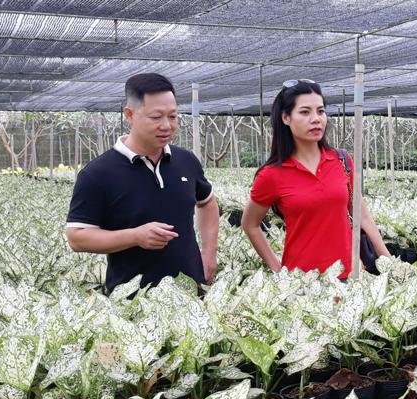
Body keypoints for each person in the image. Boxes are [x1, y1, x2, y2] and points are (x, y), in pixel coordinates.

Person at [66, 73, 219, 294]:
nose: (167, 126)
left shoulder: (186, 161)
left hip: (191, 295)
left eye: (173, 116)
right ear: (130, 115)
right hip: (131, 303)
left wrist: (209, 250)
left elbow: (206, 202)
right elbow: (77, 238)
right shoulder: (97, 173)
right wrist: (135, 236)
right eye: (156, 117)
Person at [241, 80, 389, 278]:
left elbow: (363, 217)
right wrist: (277, 270)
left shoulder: (342, 160)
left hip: (349, 277)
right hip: (301, 281)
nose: (316, 119)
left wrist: (389, 264)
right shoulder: (271, 174)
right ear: (286, 117)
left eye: (320, 111)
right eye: (305, 112)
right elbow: (250, 224)